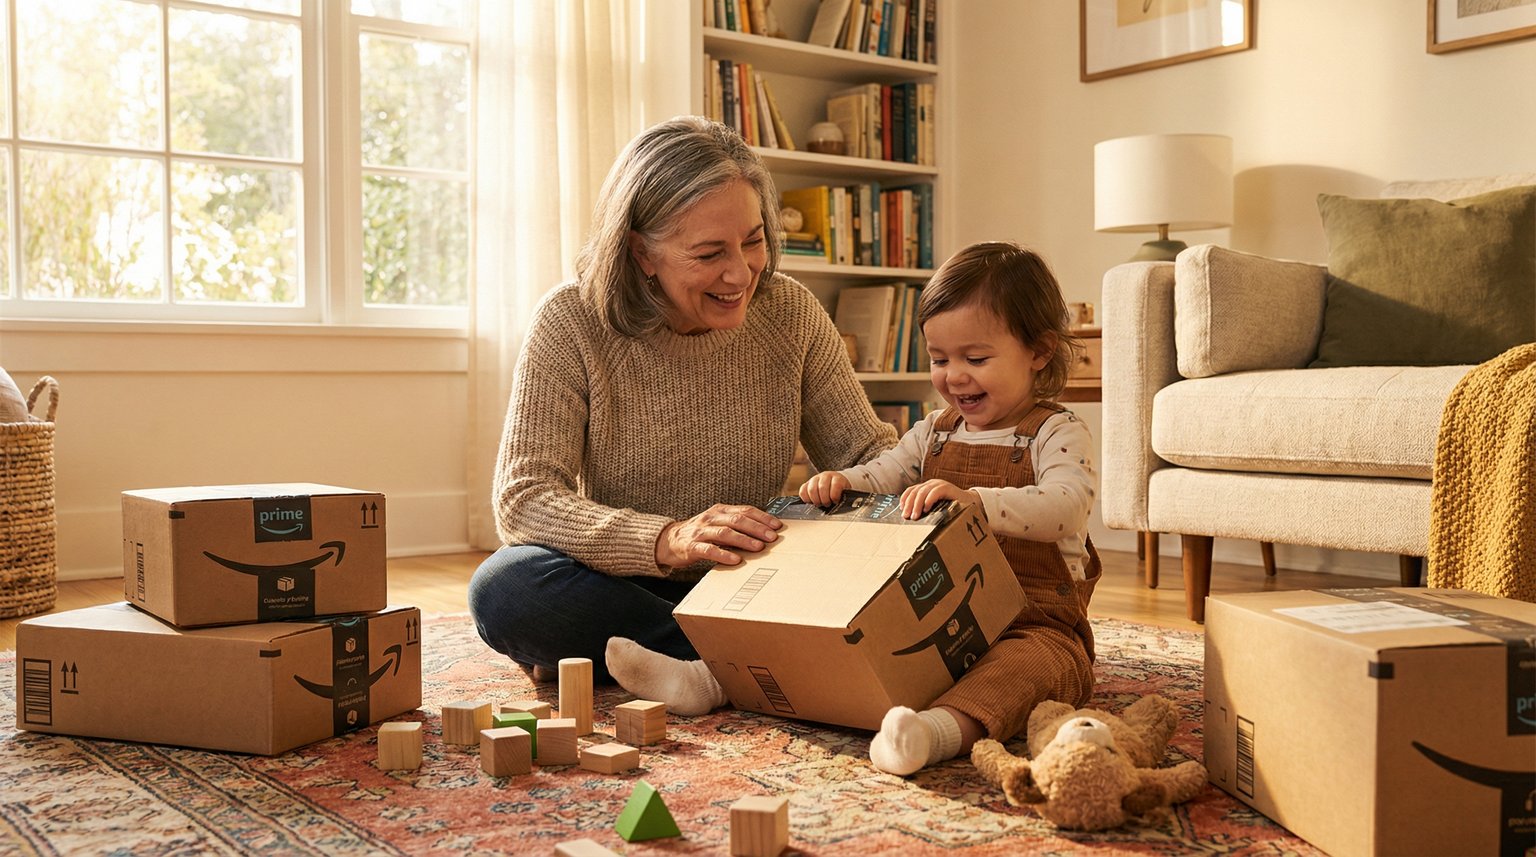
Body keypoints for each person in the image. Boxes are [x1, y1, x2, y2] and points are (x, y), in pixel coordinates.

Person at [467, 115, 898, 714]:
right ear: (641, 252)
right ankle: (744, 662)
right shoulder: (571, 321)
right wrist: (669, 539)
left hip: (752, 581)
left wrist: (932, 483)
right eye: (708, 253)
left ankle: (690, 668)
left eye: (753, 240)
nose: (740, 272)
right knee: (505, 590)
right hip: (625, 581)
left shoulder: (790, 313)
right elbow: (525, 498)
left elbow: (867, 459)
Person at [798, 240, 1101, 775]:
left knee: (1024, 673)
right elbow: (883, 472)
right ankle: (718, 678)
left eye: (976, 359)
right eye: (940, 360)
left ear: (1040, 351)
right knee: (864, 638)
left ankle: (932, 735)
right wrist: (841, 481)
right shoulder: (933, 433)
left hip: (1036, 625)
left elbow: (1067, 506)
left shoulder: (1056, 431)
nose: (954, 376)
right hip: (942, 617)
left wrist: (978, 504)